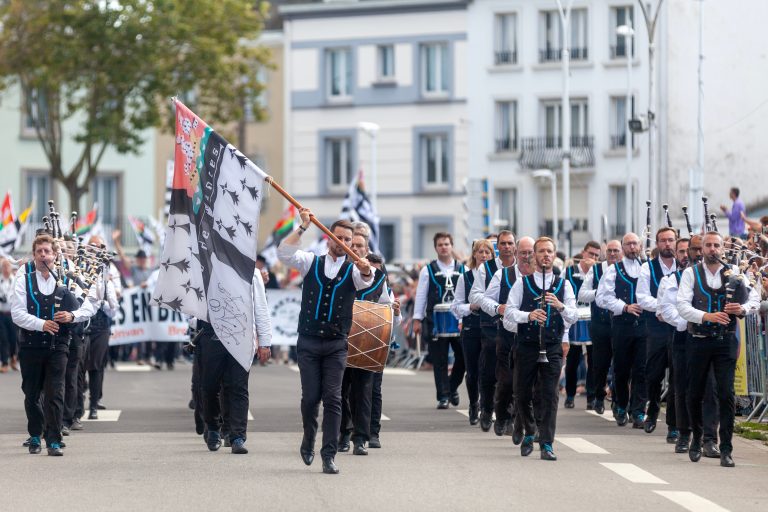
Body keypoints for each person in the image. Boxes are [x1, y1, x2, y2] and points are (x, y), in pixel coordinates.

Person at [278, 209, 373, 475]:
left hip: (335, 344)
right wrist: (302, 227)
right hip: (308, 342)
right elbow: (283, 254)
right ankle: (309, 437)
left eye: (348, 240)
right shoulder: (310, 261)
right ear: (329, 238)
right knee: (310, 398)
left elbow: (367, 280)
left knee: (333, 398)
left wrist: (366, 270)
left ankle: (328, 454)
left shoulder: (354, 270)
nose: (342, 243)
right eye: (338, 237)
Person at [676, 231, 760, 467]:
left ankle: (726, 448)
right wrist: (706, 316)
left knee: (726, 394)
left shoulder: (734, 273)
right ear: (701, 249)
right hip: (699, 339)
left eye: (716, 245)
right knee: (694, 392)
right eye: (708, 245)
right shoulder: (690, 273)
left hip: (725, 341)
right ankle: (697, 438)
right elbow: (681, 305)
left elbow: (755, 297)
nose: (712, 249)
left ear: (723, 249)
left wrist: (741, 309)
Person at [10, 233, 91, 456]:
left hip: (59, 347)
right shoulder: (23, 280)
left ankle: (53, 439)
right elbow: (17, 314)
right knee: (32, 393)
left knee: (55, 392)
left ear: (55, 255)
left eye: (47, 251)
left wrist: (72, 316)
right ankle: (35, 434)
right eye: (39, 252)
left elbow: (89, 306)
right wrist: (41, 324)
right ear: (34, 255)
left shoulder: (68, 280)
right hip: (30, 345)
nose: (43, 255)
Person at [504, 237, 577, 461]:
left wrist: (560, 306)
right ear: (533, 256)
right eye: (541, 251)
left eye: (549, 251)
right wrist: (528, 316)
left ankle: (547, 443)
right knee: (522, 393)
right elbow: (508, 314)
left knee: (550, 395)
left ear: (554, 256)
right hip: (526, 345)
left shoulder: (563, 284)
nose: (546, 255)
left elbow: (574, 316)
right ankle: (528, 429)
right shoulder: (522, 283)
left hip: (552, 346)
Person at [339, 229, 401, 455]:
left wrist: (394, 311)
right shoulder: (337, 272)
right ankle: (343, 434)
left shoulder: (379, 278)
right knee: (339, 391)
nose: (354, 249)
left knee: (363, 391)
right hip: (339, 339)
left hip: (366, 342)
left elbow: (387, 308)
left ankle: (361, 438)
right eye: (351, 245)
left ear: (366, 250)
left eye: (359, 246)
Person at [658, 235, 721, 456]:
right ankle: (684, 433)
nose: (691, 254)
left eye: (694, 249)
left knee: (711, 388)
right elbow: (667, 309)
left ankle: (709, 438)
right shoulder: (674, 278)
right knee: (684, 388)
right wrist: (693, 320)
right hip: (685, 337)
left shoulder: (717, 275)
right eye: (686, 251)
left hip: (710, 338)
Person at [198, 268, 271, 454]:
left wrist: (265, 342)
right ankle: (213, 428)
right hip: (211, 334)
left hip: (242, 336)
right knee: (209, 386)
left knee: (238, 387)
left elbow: (260, 307)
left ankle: (237, 436)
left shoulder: (251, 271)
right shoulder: (206, 266)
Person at [478, 234, 532, 437]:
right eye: (524, 252)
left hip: (532, 336)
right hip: (507, 334)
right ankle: (501, 416)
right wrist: (498, 308)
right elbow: (485, 300)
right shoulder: (503, 275)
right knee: (507, 380)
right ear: (516, 254)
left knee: (527, 382)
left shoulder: (543, 276)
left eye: (530, 253)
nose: (527, 256)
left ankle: (521, 420)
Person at [596, 233, 647, 427]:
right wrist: (624, 307)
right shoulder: (613, 270)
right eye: (628, 244)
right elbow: (602, 297)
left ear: (640, 246)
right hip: (621, 326)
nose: (632, 247)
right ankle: (620, 404)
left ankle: (638, 411)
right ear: (623, 248)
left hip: (644, 326)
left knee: (641, 370)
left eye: (635, 244)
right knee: (621, 368)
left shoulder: (647, 268)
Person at [469, 232, 517, 431]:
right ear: (497, 246)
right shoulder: (486, 268)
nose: (506, 247)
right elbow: (475, 295)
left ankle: (508, 413)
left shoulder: (522, 269)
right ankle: (487, 409)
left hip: (515, 327)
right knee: (489, 371)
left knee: (512, 372)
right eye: (502, 244)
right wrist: (496, 306)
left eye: (509, 243)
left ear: (514, 246)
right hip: (490, 326)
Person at [412, 232, 465, 410]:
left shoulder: (463, 268)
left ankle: (451, 387)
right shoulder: (428, 270)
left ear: (452, 246)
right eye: (440, 244)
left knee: (463, 358)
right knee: (440, 360)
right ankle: (443, 396)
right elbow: (421, 296)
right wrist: (417, 319)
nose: (444, 247)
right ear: (436, 248)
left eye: (447, 244)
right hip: (435, 320)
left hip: (458, 320)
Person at [636, 227, 678, 440]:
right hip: (656, 327)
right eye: (663, 241)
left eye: (671, 240)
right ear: (657, 244)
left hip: (680, 327)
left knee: (677, 378)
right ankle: (652, 409)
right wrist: (663, 307)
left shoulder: (685, 268)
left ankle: (673, 423)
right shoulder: (648, 268)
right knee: (653, 375)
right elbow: (642, 297)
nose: (667, 244)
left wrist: (674, 310)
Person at [451, 238, 495, 425]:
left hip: (492, 328)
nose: (484, 255)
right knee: (473, 371)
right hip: (471, 327)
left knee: (489, 370)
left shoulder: (498, 275)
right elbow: (456, 307)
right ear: (474, 254)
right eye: (481, 252)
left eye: (488, 252)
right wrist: (471, 306)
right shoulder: (465, 277)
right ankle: (473, 404)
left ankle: (488, 406)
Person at [578, 240, 622, 414]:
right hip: (600, 323)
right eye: (609, 251)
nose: (612, 254)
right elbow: (582, 294)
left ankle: (618, 398)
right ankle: (598, 395)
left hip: (620, 323)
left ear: (621, 252)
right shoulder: (596, 270)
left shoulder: (627, 270)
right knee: (600, 363)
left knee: (621, 363)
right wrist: (600, 293)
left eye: (615, 251)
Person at [83, 235, 121, 420]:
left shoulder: (109, 270)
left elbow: (115, 305)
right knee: (79, 365)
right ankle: (76, 404)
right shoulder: (80, 267)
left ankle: (93, 404)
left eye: (98, 247)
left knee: (96, 365)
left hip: (101, 325)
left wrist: (105, 300)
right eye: (91, 247)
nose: (94, 251)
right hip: (82, 323)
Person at [562, 241, 601, 410]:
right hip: (575, 319)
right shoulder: (569, 271)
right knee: (572, 360)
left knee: (594, 360)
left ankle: (591, 397)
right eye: (590, 254)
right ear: (583, 253)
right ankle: (570, 394)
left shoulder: (599, 272)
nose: (592, 258)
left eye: (596, 255)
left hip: (593, 319)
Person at [0, 257, 18, 373]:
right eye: (4, 267)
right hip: (1, 314)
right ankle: (5, 362)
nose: (6, 269)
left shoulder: (15, 280)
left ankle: (13, 358)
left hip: (13, 314)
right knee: (3, 338)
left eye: (8, 266)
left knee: (13, 339)